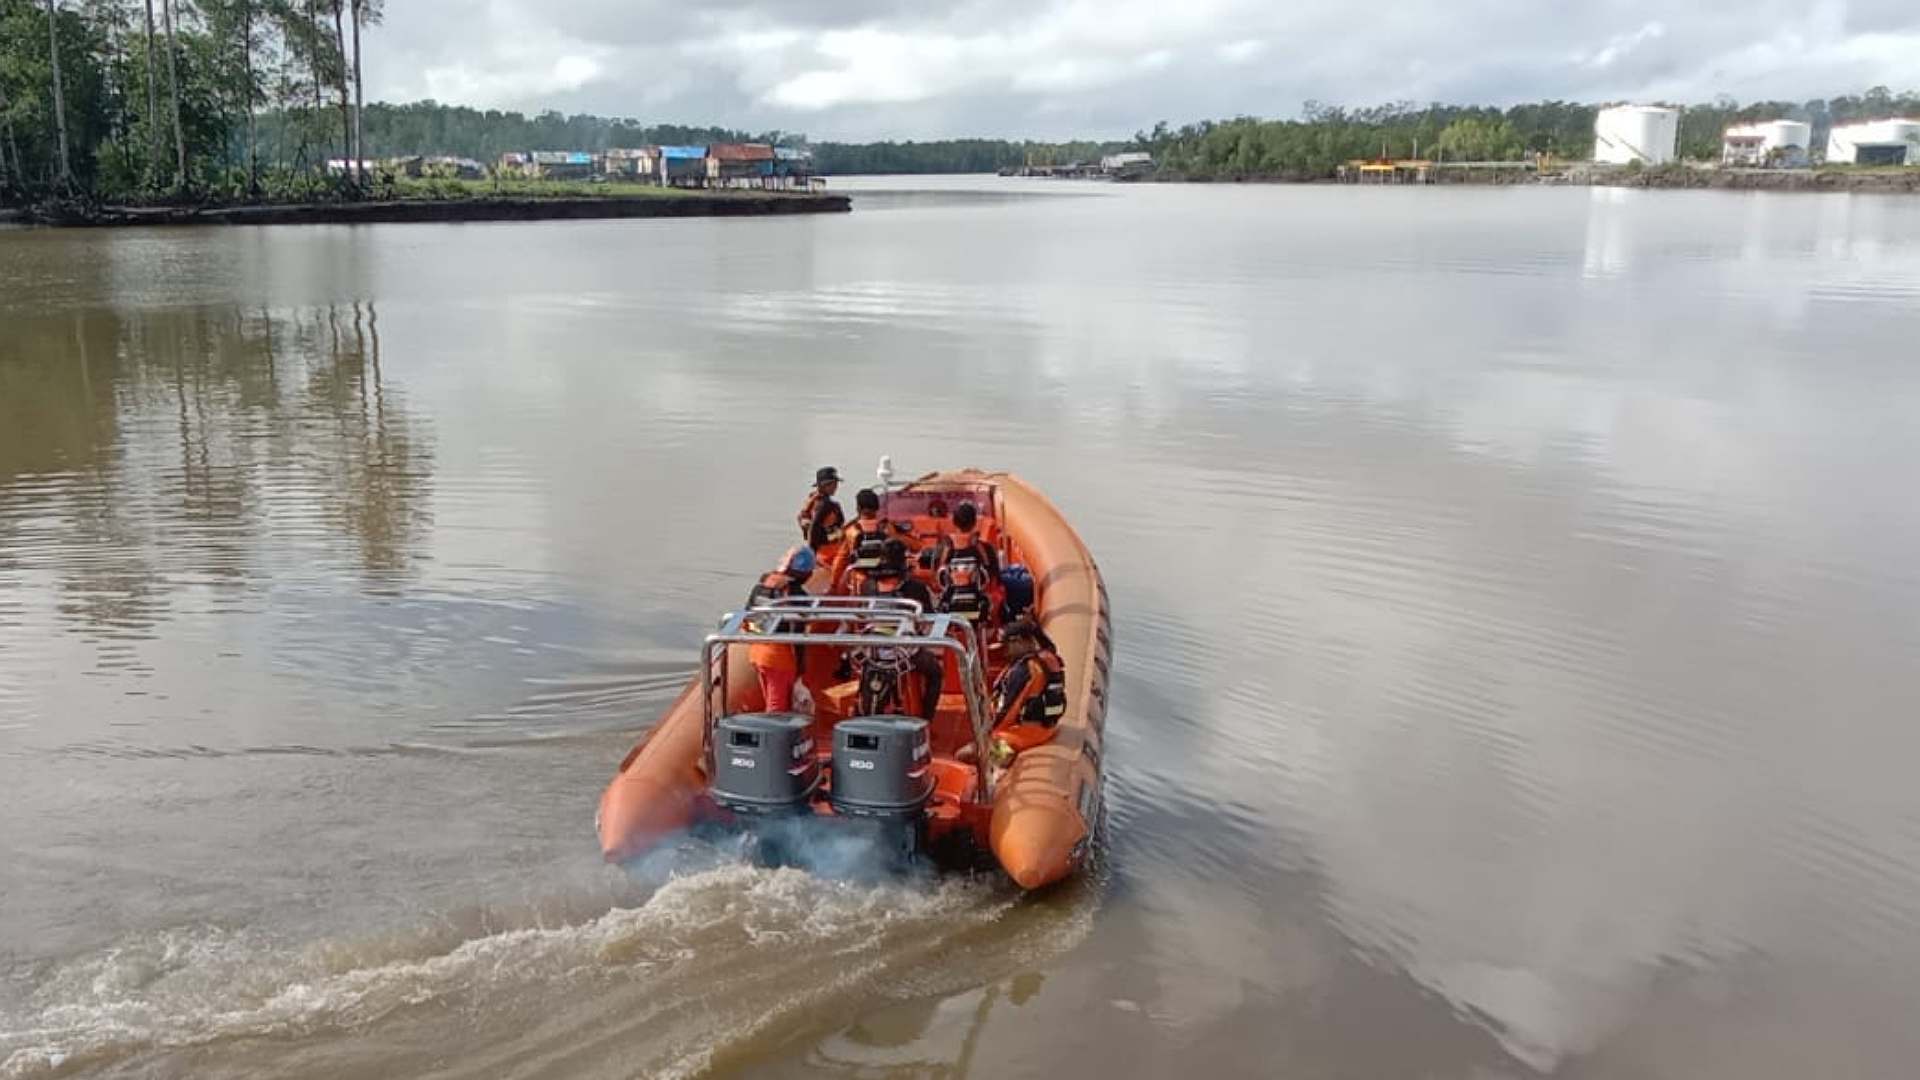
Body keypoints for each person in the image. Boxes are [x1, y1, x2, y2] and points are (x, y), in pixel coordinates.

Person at [850, 540, 943, 720]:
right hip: (904, 652)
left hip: (872, 651)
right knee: (935, 673)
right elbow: (928, 620)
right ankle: (926, 719)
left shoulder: (867, 586)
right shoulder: (915, 589)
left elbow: (862, 618)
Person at [979, 618, 1067, 765]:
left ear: (1019, 641)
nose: (1005, 652)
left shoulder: (1023, 671)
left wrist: (988, 733)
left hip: (1019, 735)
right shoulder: (1047, 657)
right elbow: (1048, 644)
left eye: (1007, 646)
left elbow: (1009, 711)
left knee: (965, 754)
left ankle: (994, 773)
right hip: (1045, 729)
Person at [744, 545, 815, 713]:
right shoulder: (798, 596)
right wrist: (800, 669)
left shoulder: (762, 585)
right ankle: (774, 737)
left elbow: (748, 619)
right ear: (807, 574)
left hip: (756, 652)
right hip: (779, 659)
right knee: (776, 710)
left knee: (770, 699)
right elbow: (797, 638)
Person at [930, 501, 1001, 623]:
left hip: (948, 608)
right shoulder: (986, 549)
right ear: (974, 522)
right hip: (980, 608)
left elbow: (935, 581)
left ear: (954, 522)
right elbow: (993, 580)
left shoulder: (943, 548)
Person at [837, 487, 914, 593]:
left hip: (860, 581)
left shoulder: (850, 531)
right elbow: (909, 546)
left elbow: (841, 560)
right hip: (889, 579)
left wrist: (833, 586)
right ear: (877, 507)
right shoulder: (888, 527)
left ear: (858, 508)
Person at [796, 466, 846, 555]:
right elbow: (814, 528)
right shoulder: (826, 505)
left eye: (836, 484)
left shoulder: (813, 498)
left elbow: (804, 520)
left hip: (816, 548)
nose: (836, 487)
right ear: (824, 485)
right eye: (833, 484)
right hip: (825, 551)